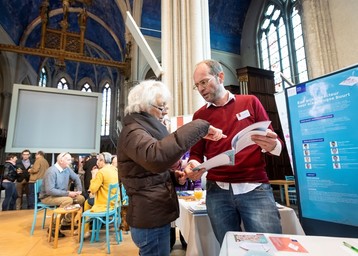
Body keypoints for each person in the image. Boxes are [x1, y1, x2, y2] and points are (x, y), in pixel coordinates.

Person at [117, 80, 226, 256]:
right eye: (161, 107)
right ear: (143, 106)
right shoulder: (133, 131)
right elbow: (156, 157)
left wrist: (174, 177)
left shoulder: (138, 129)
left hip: (153, 213)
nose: (166, 111)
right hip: (150, 217)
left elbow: (145, 171)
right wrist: (199, 126)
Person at [185, 59, 283, 245]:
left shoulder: (250, 102)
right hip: (217, 192)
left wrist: (273, 146)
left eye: (204, 82)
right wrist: (193, 164)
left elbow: (274, 141)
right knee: (229, 247)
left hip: (254, 188)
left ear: (220, 76)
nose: (201, 88)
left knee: (269, 247)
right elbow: (196, 154)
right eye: (197, 85)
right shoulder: (199, 116)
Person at [40, 152, 85, 237]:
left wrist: (79, 190)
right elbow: (50, 191)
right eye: (68, 160)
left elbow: (76, 177)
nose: (70, 162)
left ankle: (66, 222)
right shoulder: (51, 171)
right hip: (48, 197)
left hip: (61, 194)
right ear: (61, 161)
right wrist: (68, 193)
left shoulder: (67, 169)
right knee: (68, 200)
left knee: (81, 199)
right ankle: (53, 228)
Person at [82, 152, 119, 238]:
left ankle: (86, 230)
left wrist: (94, 175)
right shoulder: (114, 169)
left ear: (102, 161)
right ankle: (94, 225)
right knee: (90, 201)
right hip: (114, 202)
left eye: (98, 160)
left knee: (87, 203)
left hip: (104, 203)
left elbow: (92, 189)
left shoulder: (101, 172)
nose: (97, 162)